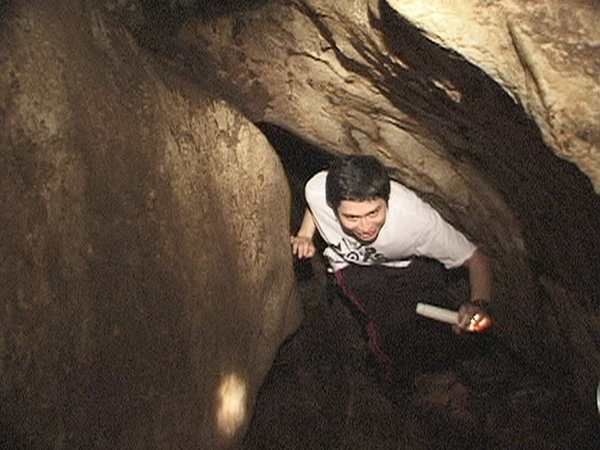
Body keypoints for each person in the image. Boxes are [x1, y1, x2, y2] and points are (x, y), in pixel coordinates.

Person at [291, 155, 493, 384]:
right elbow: (314, 206)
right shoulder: (318, 190)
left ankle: (448, 372)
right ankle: (396, 380)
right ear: (333, 206)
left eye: (373, 213)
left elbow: (477, 259)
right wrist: (305, 235)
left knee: (435, 316)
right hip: (352, 266)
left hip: (405, 264)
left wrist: (479, 304)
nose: (365, 227)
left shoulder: (416, 222)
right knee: (386, 328)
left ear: (387, 200)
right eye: (351, 217)